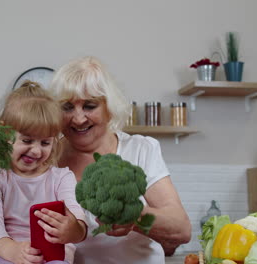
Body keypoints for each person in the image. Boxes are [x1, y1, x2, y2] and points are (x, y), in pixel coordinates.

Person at [46, 56, 192, 264]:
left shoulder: (141, 150)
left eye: (89, 106)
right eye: (67, 107)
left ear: (109, 107)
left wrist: (135, 218)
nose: (78, 119)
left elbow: (181, 229)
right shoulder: (46, 157)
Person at [0, 81, 87, 264]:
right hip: (8, 252)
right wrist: (13, 251)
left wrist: (73, 229)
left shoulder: (61, 178)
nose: (36, 151)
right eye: (27, 141)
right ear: (5, 134)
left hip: (52, 255)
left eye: (45, 143)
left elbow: (78, 218)